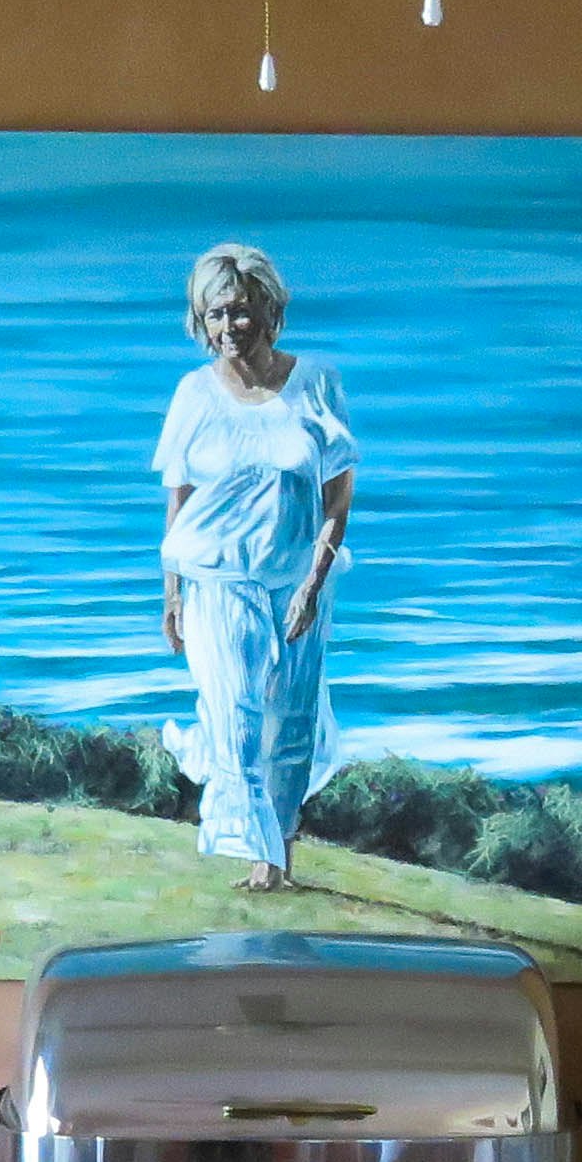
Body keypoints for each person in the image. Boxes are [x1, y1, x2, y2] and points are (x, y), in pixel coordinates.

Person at [153, 242, 358, 893]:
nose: (228, 326)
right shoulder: (194, 393)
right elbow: (179, 500)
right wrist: (172, 595)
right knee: (235, 716)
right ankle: (258, 855)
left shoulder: (316, 383)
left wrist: (313, 584)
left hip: (298, 579)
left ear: (270, 310)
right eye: (215, 314)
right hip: (217, 581)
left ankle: (279, 859)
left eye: (240, 310)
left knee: (291, 724)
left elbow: (338, 498)